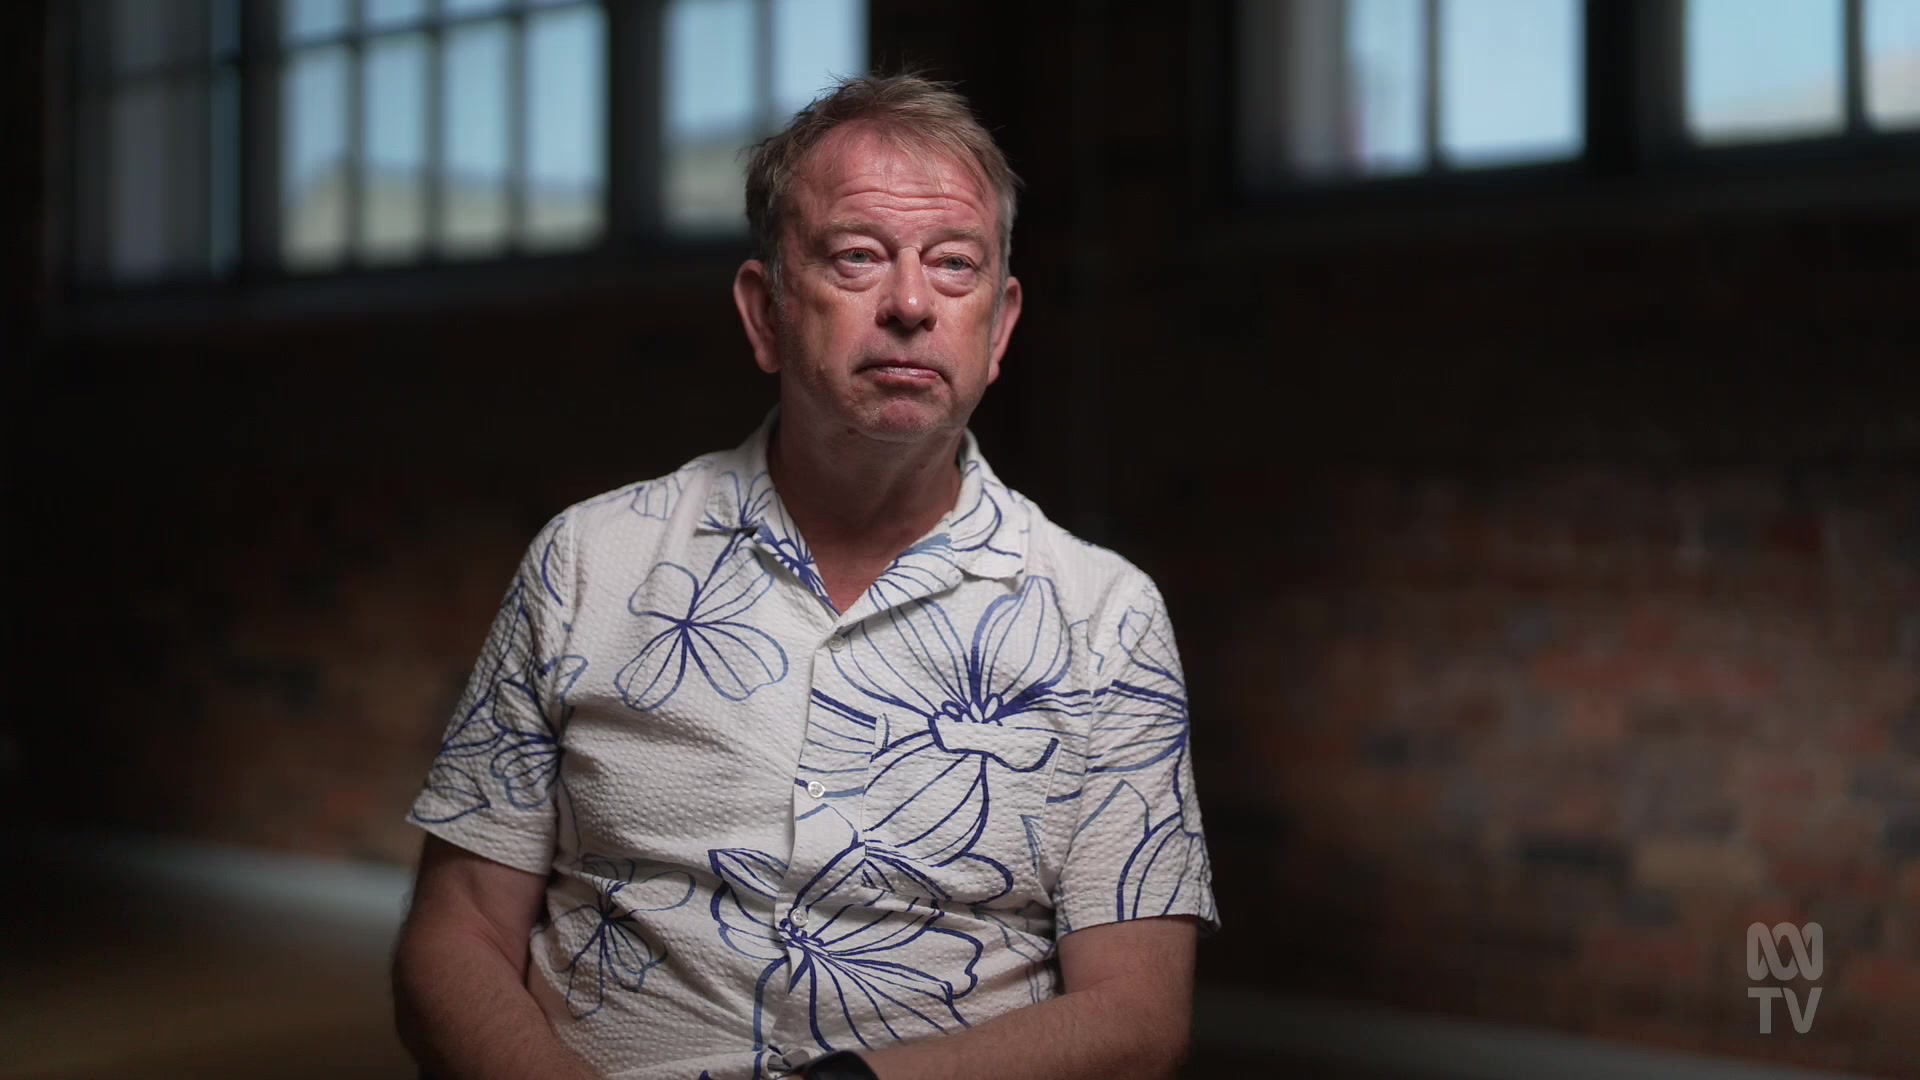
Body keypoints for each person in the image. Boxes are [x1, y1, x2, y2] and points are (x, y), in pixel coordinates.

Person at [391, 73, 1217, 1080]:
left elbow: (1136, 1018)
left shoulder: (1106, 618)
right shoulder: (588, 562)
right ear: (766, 312)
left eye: (954, 265)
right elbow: (456, 932)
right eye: (856, 257)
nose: (909, 304)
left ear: (999, 328)